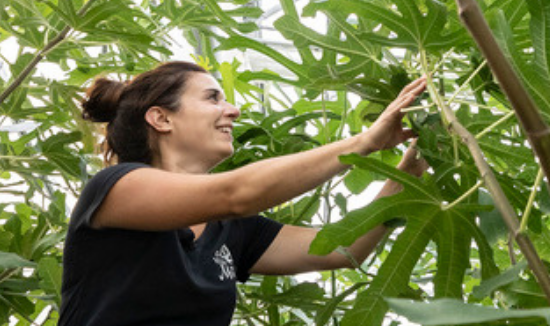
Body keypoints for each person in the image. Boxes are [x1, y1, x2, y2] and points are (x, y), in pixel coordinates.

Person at [58, 61, 430, 325]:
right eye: (212, 98)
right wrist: (365, 142)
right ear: (162, 118)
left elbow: (342, 250)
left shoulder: (232, 230)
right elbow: (237, 193)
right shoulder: (116, 188)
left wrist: (410, 171)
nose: (232, 110)